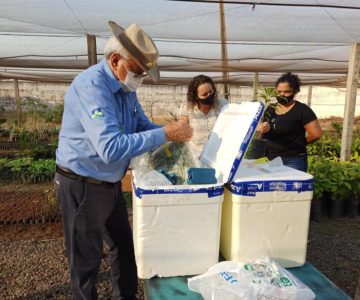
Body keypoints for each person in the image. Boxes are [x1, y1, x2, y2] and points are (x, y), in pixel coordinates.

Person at [55, 21, 193, 300]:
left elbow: (140, 124)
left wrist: (170, 133)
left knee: (123, 247)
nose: (139, 78)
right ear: (115, 60)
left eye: (143, 73)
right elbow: (110, 147)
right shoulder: (92, 87)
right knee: (86, 261)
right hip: (81, 185)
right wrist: (166, 134)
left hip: (108, 183)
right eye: (137, 71)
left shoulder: (126, 89)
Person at [257, 72, 322, 172]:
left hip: (292, 159)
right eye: (279, 92)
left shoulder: (302, 110)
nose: (282, 95)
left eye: (286, 92)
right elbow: (263, 132)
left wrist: (299, 144)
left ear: (295, 91)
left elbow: (316, 134)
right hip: (270, 158)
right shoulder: (270, 108)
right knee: (271, 186)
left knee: (291, 187)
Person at [178, 74, 227, 159]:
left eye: (211, 92)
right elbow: (182, 132)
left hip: (220, 155)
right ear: (196, 96)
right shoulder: (187, 109)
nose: (209, 95)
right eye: (204, 94)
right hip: (196, 157)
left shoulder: (223, 104)